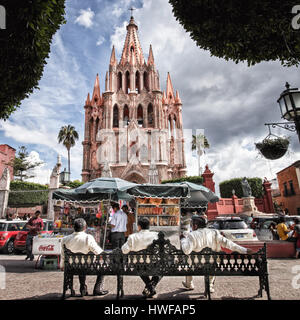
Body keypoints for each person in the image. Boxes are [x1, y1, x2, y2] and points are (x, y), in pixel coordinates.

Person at [180, 215, 254, 294]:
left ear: (195, 225)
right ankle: (210, 285)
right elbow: (229, 244)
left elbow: (186, 250)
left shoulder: (192, 235)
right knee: (213, 261)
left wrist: (183, 239)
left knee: (189, 260)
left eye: (192, 225)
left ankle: (189, 284)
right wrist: (244, 250)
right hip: (212, 265)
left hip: (196, 265)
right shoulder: (214, 233)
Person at [60, 218, 109, 297]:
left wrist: (62, 266)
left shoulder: (65, 239)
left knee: (80, 263)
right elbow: (98, 252)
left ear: (74, 227)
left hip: (71, 267)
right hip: (87, 267)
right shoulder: (88, 238)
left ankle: (83, 287)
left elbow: (62, 255)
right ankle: (97, 288)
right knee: (102, 266)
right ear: (85, 227)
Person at [122, 217, 161, 298]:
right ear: (149, 226)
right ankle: (150, 287)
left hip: (138, 265)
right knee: (161, 268)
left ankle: (150, 288)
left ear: (139, 226)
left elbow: (124, 250)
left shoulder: (132, 237)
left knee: (139, 265)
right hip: (153, 264)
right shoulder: (156, 235)